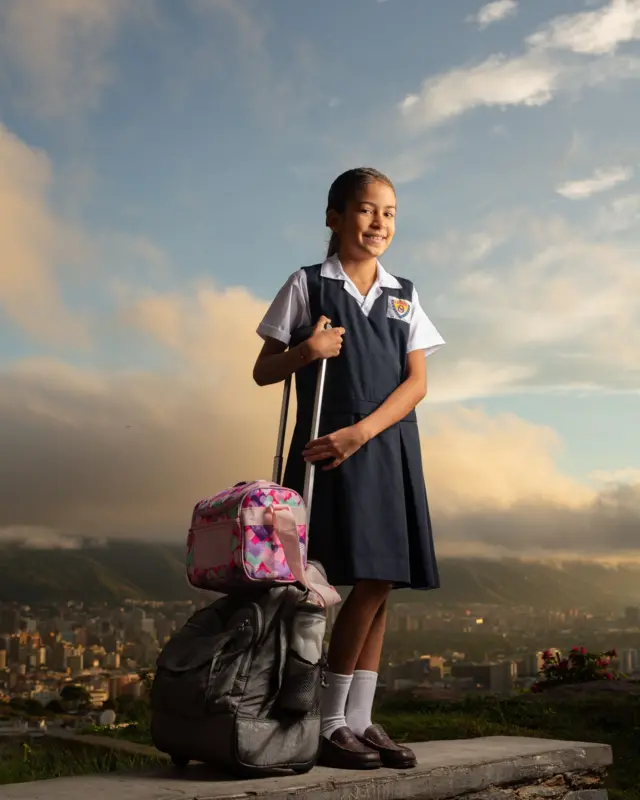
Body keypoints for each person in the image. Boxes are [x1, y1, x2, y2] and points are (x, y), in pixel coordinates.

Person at [253, 167, 445, 771]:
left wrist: (361, 434)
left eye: (388, 213)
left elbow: (416, 384)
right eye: (365, 210)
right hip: (322, 447)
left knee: (381, 582)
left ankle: (356, 719)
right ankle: (328, 721)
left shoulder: (403, 294)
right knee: (337, 582)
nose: (378, 223)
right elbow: (264, 370)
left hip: (381, 443)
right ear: (334, 217)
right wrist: (307, 352)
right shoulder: (308, 284)